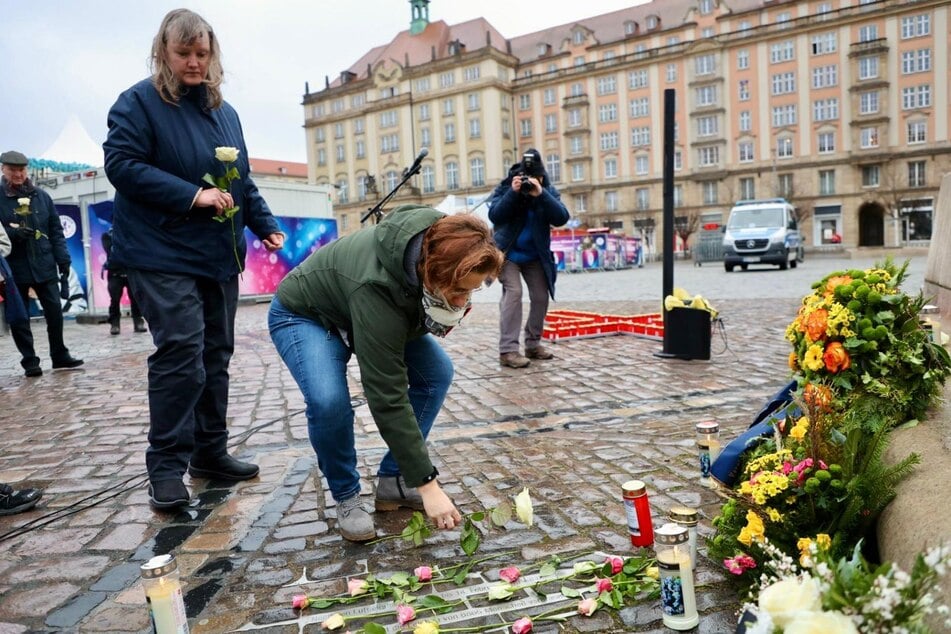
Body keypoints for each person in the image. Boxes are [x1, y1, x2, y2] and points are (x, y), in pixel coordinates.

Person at [103, 8, 285, 510]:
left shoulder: (225, 112)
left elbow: (242, 180)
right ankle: (165, 467)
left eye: (202, 54)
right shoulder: (137, 104)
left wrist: (264, 223)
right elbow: (122, 165)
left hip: (217, 253)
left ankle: (210, 452)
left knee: (215, 356)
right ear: (164, 51)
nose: (194, 63)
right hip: (159, 250)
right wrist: (191, 195)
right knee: (182, 351)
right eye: (184, 53)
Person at [268, 205, 503, 541]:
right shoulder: (376, 286)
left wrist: (446, 303)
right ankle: (347, 497)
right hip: (306, 314)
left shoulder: (441, 242)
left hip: (375, 307)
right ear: (432, 272)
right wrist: (429, 484)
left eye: (471, 291)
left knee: (436, 373)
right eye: (458, 291)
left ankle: (394, 481)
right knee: (329, 401)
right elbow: (386, 394)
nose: (462, 301)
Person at [0, 150, 84, 377]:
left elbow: (55, 231)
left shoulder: (41, 196)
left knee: (55, 312)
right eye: (13, 170)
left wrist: (63, 260)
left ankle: (59, 355)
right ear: (3, 169)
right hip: (14, 268)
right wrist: (13, 233)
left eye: (21, 169)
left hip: (44, 264)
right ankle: (30, 360)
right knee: (20, 318)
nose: (18, 174)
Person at [488, 148, 570, 368]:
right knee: (514, 293)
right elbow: (494, 215)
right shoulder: (507, 186)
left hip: (535, 255)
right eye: (528, 178)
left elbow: (561, 217)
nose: (531, 182)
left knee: (541, 296)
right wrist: (513, 194)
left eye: (536, 178)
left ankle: (533, 344)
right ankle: (508, 351)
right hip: (508, 253)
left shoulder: (548, 191)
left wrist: (541, 194)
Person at [101, 227, 146, 335]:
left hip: (130, 271)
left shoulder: (132, 235)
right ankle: (115, 324)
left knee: (136, 298)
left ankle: (138, 322)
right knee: (114, 300)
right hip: (115, 273)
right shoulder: (108, 236)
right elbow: (111, 251)